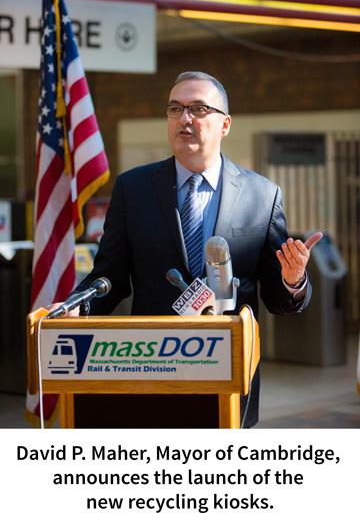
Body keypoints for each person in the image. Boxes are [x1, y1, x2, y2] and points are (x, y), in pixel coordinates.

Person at [55, 71, 322, 427]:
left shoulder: (263, 195)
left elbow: (276, 297)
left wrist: (292, 281)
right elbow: (109, 276)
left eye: (198, 108)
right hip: (152, 366)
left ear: (224, 124)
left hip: (229, 373)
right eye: (175, 109)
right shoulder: (132, 188)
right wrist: (78, 306)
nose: (184, 118)